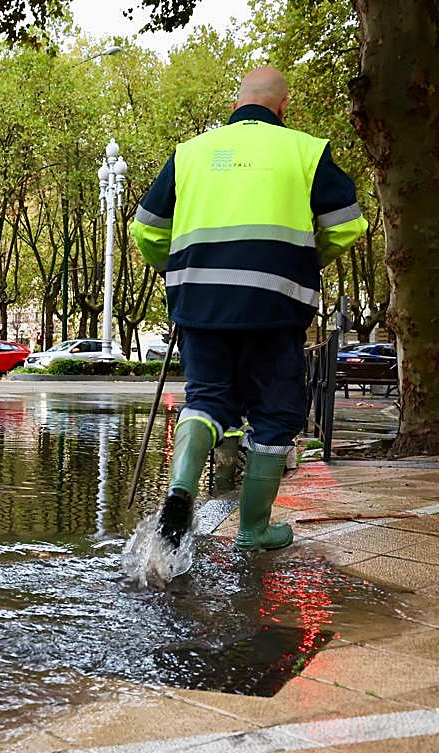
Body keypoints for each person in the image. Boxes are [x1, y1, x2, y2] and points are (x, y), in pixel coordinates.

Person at [131, 66, 367, 552]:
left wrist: (178, 273)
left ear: (235, 105)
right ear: (284, 109)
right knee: (276, 414)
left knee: (206, 399)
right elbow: (347, 225)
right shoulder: (305, 150)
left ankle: (179, 493)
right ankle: (254, 529)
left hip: (200, 303)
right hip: (275, 304)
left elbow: (147, 230)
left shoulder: (190, 153)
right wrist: (302, 262)